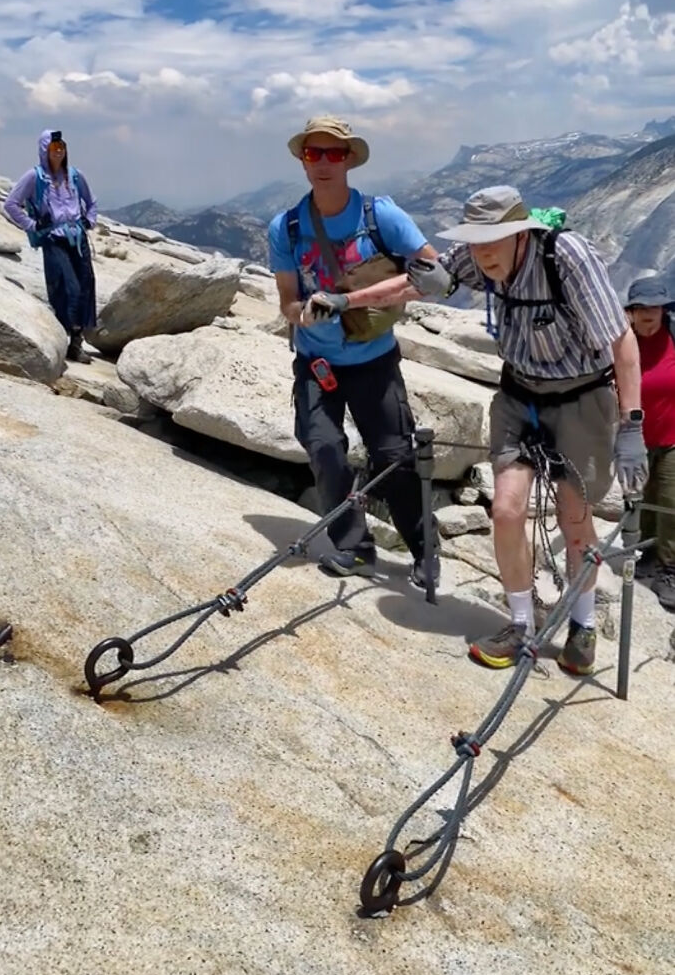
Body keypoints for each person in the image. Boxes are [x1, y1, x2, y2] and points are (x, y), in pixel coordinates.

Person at [341, 184, 647, 675]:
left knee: (574, 519)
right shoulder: (476, 256)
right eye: (475, 242)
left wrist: (631, 426)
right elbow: (417, 285)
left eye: (493, 241)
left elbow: (621, 340)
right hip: (519, 395)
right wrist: (345, 300)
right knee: (505, 510)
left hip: (581, 398)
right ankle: (520, 624)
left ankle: (583, 627)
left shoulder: (566, 257)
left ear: (520, 234)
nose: (481, 255)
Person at [268, 115, 441, 588]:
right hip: (316, 362)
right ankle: (353, 545)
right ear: (303, 160)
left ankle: (424, 550)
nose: (324, 163)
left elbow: (433, 274)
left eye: (334, 154)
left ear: (349, 160)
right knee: (324, 449)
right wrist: (301, 313)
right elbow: (286, 299)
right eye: (314, 153)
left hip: (373, 360)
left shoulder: (380, 215)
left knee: (393, 456)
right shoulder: (286, 227)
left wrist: (354, 301)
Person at [4, 129, 98, 364]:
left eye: (61, 148)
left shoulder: (75, 176)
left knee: (86, 286)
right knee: (69, 287)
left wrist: (90, 220)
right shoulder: (34, 177)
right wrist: (32, 225)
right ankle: (64, 336)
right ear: (44, 151)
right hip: (53, 238)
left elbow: (91, 201)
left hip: (77, 237)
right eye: (54, 149)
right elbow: (11, 204)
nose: (58, 152)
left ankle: (76, 342)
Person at [624, 276, 675, 611]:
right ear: (631, 311)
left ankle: (669, 569)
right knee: (639, 499)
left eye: (654, 307)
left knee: (670, 501)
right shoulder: (620, 342)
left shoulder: (674, 338)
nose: (648, 315)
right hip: (634, 439)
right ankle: (645, 554)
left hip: (672, 438)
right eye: (642, 308)